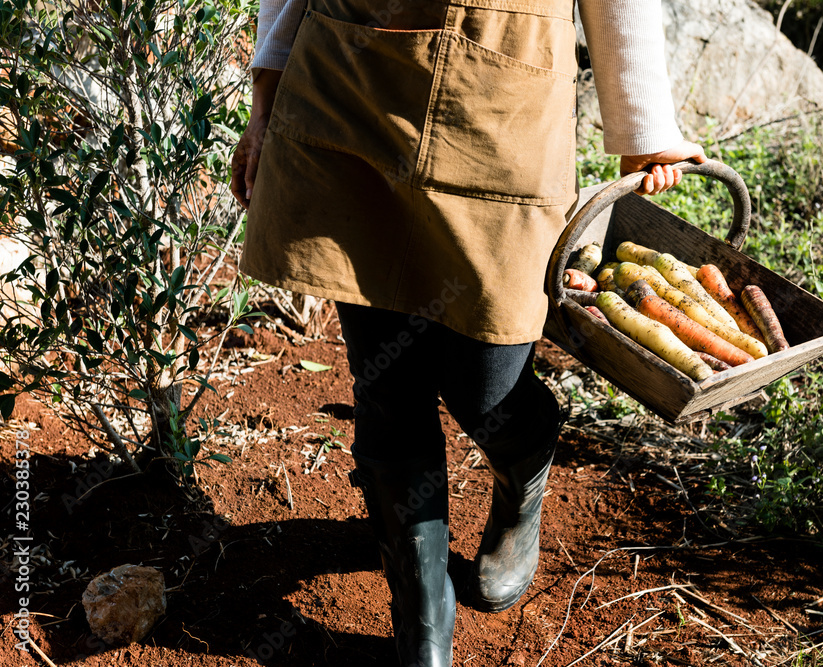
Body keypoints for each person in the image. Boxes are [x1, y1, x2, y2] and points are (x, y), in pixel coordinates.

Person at [230, 0, 706, 664]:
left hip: (501, 94)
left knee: (488, 386)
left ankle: (526, 457)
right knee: (386, 385)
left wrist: (645, 123)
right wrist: (267, 96)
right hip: (347, 74)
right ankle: (423, 621)